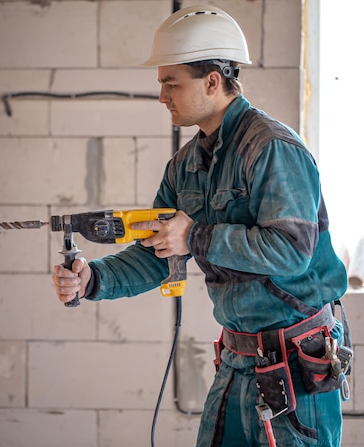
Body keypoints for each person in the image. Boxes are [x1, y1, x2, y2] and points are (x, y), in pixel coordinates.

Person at [51, 5, 352, 447]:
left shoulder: (272, 149)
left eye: (171, 83)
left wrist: (194, 235)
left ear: (213, 81)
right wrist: (94, 279)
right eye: (161, 84)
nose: (162, 96)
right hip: (236, 359)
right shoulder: (185, 166)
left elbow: (290, 251)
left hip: (296, 365)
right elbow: (159, 251)